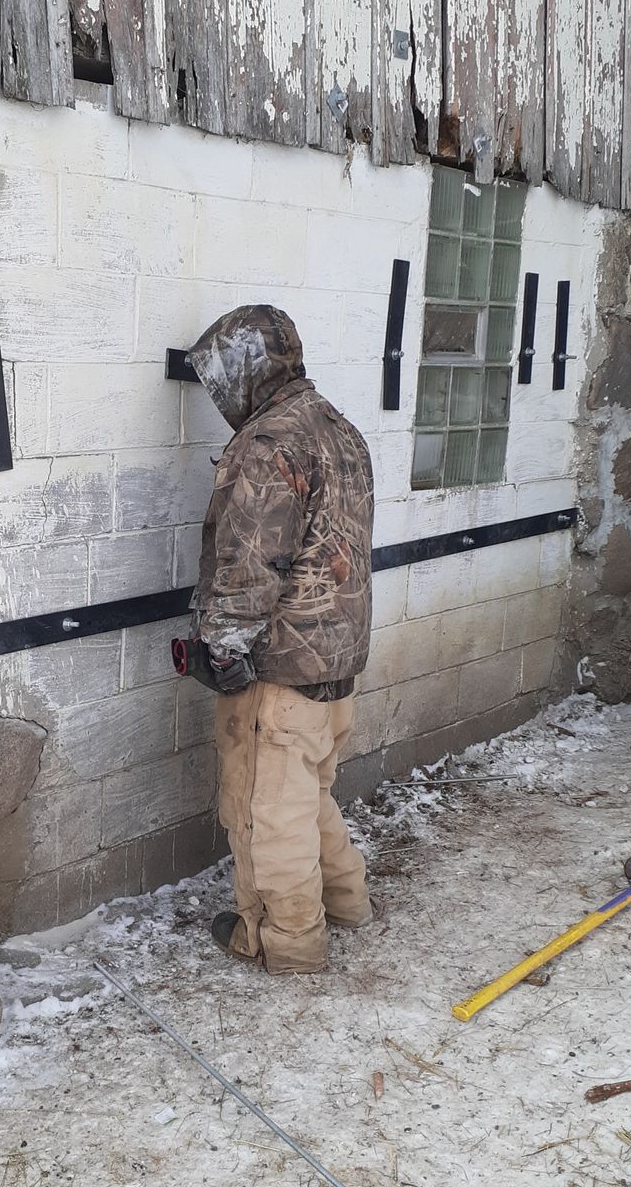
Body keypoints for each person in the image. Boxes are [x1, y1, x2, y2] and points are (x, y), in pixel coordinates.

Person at [185, 304, 376, 976]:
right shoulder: (338, 429)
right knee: (307, 797)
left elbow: (250, 556)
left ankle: (283, 942)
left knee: (267, 816)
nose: (219, 400)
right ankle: (348, 904)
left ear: (246, 371)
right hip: (335, 663)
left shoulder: (268, 443)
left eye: (219, 382)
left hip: (280, 668)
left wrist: (225, 643)